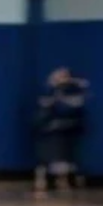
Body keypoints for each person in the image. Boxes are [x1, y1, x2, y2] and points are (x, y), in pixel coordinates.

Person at [35, 66, 88, 194]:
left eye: (64, 77)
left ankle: (68, 179)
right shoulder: (48, 92)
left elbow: (75, 106)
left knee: (67, 156)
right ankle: (51, 180)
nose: (61, 80)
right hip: (53, 132)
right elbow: (44, 108)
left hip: (68, 130)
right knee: (54, 156)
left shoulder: (74, 90)